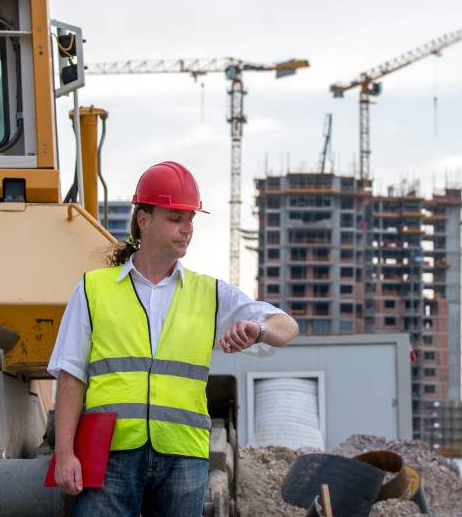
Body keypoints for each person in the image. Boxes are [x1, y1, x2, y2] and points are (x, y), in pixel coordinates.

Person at [47, 160, 299, 516]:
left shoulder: (209, 294)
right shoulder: (93, 290)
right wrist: (64, 454)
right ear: (144, 220)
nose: (187, 229)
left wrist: (257, 330)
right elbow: (71, 374)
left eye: (191, 220)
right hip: (109, 453)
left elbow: (287, 328)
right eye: (175, 218)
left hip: (182, 457)